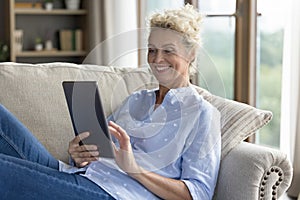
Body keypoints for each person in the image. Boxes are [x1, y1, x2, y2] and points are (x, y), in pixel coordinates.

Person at [0, 4, 221, 200]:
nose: (157, 59)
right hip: (75, 176)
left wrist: (133, 168)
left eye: (168, 51)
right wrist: (79, 155)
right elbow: (100, 148)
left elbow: (198, 194)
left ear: (191, 53)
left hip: (115, 194)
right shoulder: (136, 100)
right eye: (152, 50)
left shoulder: (202, 114)